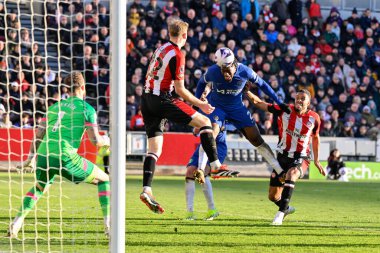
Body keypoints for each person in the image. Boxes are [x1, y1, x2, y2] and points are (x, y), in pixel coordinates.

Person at [140, 19, 238, 215]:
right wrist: (201, 104)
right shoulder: (177, 54)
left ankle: (146, 190)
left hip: (146, 99)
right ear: (184, 36)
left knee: (154, 149)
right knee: (205, 122)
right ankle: (216, 165)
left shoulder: (160, 49)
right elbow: (180, 89)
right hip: (162, 98)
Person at [8, 72, 111, 238]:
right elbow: (95, 141)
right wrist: (107, 141)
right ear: (83, 88)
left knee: (40, 187)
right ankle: (108, 225)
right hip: (66, 157)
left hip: (43, 155)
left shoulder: (53, 107)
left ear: (66, 89)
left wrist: (30, 158)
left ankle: (16, 222)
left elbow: (39, 134)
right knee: (105, 179)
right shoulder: (87, 109)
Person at [195, 47, 291, 179]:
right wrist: (197, 105)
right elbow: (201, 83)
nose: (225, 74)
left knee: (256, 139)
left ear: (234, 64)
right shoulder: (213, 71)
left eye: (227, 70)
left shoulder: (245, 71)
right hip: (217, 107)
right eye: (222, 70)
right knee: (211, 132)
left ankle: (279, 171)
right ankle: (201, 168)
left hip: (237, 108)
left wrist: (279, 102)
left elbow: (263, 84)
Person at [245, 89, 326, 225]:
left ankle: (280, 215)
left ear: (309, 102)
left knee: (292, 174)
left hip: (301, 157)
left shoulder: (314, 118)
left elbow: (316, 138)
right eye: (297, 98)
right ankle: (286, 208)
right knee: (273, 196)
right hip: (282, 157)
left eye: (302, 98)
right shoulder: (284, 110)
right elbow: (259, 103)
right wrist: (246, 90)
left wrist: (316, 160)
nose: (299, 100)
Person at [185, 124, 227, 221]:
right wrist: (196, 128)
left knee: (203, 173)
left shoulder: (217, 112)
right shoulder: (200, 111)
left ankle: (212, 209)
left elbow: (212, 135)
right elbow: (195, 131)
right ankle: (189, 213)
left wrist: (201, 168)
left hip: (217, 146)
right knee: (190, 172)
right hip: (203, 144)